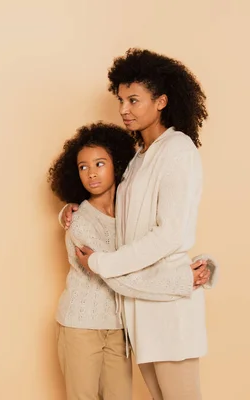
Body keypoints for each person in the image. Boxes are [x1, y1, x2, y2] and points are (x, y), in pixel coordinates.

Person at [60, 49, 219, 400]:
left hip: (169, 308)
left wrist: (102, 263)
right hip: (140, 315)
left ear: (161, 101)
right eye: (120, 100)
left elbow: (171, 233)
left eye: (134, 100)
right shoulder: (138, 161)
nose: (123, 110)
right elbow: (115, 214)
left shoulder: (178, 149)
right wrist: (71, 207)